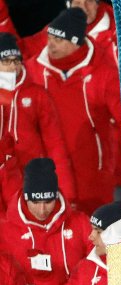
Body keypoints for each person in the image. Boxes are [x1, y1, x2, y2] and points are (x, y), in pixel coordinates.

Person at [26, 7, 120, 212]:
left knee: (100, 229)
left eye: (58, 40)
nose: (51, 44)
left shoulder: (103, 73)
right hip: (48, 178)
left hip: (94, 180)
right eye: (50, 37)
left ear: (76, 42)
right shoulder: (33, 70)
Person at [0, 33, 74, 213]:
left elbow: (55, 144)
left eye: (16, 61)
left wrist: (67, 192)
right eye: (6, 61)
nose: (12, 67)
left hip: (31, 177)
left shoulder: (36, 94)